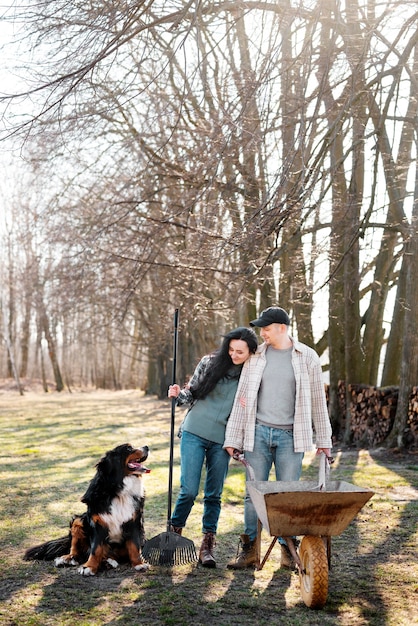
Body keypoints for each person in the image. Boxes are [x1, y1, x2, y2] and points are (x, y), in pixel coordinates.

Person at [224, 306, 332, 569]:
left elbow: (318, 400)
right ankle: (249, 550)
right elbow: (242, 399)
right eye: (261, 329)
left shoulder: (307, 357)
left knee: (288, 495)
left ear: (282, 328)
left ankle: (287, 551)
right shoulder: (257, 356)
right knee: (253, 494)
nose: (263, 334)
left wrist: (324, 440)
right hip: (257, 433)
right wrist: (232, 439)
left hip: (291, 438)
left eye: (267, 328)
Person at [168, 326, 258, 568]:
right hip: (194, 431)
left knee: (214, 494)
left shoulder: (251, 374)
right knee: (188, 490)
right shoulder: (210, 362)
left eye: (240, 352)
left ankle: (207, 545)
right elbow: (191, 393)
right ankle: (173, 536)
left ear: (251, 352)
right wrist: (178, 394)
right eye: (231, 349)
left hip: (222, 440)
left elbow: (251, 411)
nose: (234, 355)